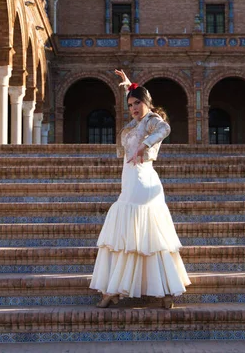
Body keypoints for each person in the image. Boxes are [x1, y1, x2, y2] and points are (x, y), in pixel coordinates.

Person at [89, 69, 191, 309]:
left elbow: (164, 129)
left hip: (143, 181)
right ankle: (118, 288)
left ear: (146, 103)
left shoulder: (152, 121)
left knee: (137, 234)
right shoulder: (137, 122)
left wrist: (144, 146)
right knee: (129, 234)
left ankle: (156, 290)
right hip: (130, 179)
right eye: (130, 105)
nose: (133, 108)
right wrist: (128, 86)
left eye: (137, 103)